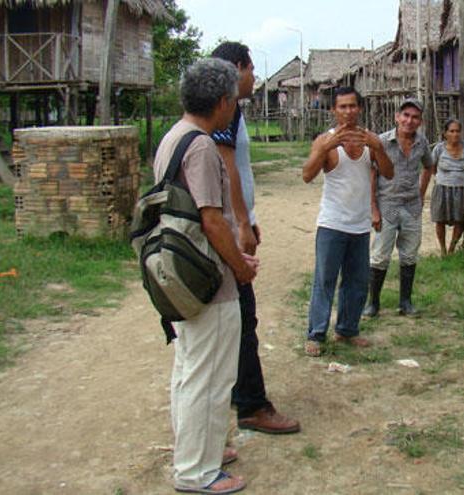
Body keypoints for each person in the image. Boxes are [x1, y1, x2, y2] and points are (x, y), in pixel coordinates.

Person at [154, 58, 257, 495]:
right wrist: (239, 266)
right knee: (210, 377)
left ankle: (198, 451)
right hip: (207, 282)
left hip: (181, 276)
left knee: (190, 371)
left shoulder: (173, 137)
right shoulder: (200, 147)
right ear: (222, 101)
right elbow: (212, 220)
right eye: (232, 99)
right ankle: (198, 472)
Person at [210, 42, 300, 436]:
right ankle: (251, 403)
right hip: (226, 228)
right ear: (237, 68)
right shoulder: (223, 109)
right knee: (242, 315)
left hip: (235, 221)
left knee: (234, 315)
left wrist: (251, 216)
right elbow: (227, 167)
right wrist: (242, 223)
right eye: (250, 69)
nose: (254, 78)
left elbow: (239, 171)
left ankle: (236, 392)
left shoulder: (232, 109)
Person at [302, 87, 393, 357]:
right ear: (334, 110)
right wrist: (325, 149)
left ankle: (347, 329)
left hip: (360, 225)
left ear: (360, 108)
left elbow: (388, 173)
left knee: (356, 281)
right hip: (332, 224)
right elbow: (307, 175)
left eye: (352, 106)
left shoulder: (370, 141)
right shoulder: (324, 141)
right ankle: (316, 334)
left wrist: (378, 148)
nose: (348, 111)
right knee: (324, 280)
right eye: (342, 107)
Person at [363, 98, 434, 317]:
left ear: (420, 121)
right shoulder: (381, 142)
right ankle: (373, 303)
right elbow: (372, 174)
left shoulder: (422, 143)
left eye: (414, 117)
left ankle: (405, 302)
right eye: (406, 116)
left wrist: (421, 194)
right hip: (387, 205)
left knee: (410, 254)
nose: (409, 121)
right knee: (380, 255)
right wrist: (373, 208)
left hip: (411, 207)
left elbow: (429, 166)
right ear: (397, 117)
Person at [429, 118, 464, 256]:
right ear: (445, 133)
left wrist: (463, 178)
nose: (455, 134)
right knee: (440, 219)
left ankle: (452, 248)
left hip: (463, 188)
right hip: (442, 188)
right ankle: (443, 250)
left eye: (458, 131)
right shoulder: (439, 148)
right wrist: (440, 177)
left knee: (460, 220)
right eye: (452, 131)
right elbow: (432, 166)